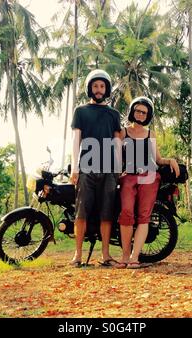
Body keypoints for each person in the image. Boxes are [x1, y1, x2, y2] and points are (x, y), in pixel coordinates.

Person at [118, 96, 180, 269]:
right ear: (132, 111)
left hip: (149, 177)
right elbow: (115, 156)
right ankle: (124, 257)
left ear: (148, 115)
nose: (140, 114)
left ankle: (134, 258)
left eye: (144, 112)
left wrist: (170, 161)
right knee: (126, 213)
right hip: (128, 177)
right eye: (137, 111)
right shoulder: (123, 132)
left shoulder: (150, 134)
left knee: (144, 216)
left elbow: (158, 159)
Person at [69, 69, 122, 267]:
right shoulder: (80, 111)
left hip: (109, 171)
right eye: (95, 86)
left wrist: (117, 170)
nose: (98, 90)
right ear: (90, 88)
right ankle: (78, 255)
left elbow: (117, 143)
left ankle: (106, 255)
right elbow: (76, 140)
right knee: (81, 212)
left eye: (102, 86)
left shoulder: (114, 114)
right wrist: (75, 168)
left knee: (107, 212)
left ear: (106, 89)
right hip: (86, 169)